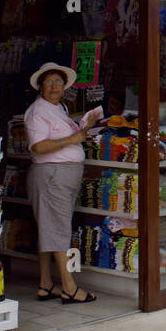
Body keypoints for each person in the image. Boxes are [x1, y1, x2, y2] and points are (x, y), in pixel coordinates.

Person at [24, 62, 103, 304]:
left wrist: (83, 129)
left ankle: (46, 283)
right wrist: (71, 140)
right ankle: (69, 287)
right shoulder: (38, 111)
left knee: (49, 229)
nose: (54, 86)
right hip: (52, 175)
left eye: (58, 82)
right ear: (40, 86)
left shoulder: (58, 108)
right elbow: (38, 146)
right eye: (49, 82)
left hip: (61, 174)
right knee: (58, 230)